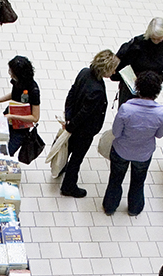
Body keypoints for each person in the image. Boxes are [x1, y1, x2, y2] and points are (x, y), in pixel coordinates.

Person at [102, 71, 163, 216]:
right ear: (157, 91)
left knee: (115, 180)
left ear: (137, 88)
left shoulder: (126, 109)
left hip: (121, 150)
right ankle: (134, 209)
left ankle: (110, 207)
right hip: (143, 154)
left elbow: (116, 132)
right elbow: (159, 135)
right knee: (138, 182)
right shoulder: (162, 113)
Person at [60, 50, 119, 198]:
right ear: (106, 70)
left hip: (72, 122)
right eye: (113, 69)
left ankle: (61, 167)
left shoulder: (84, 73)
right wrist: (71, 125)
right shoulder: (97, 90)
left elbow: (71, 94)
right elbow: (84, 114)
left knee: (69, 148)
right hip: (84, 131)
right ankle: (69, 186)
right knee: (77, 158)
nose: (114, 71)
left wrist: (68, 118)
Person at [111, 17, 163, 107]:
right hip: (131, 86)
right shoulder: (138, 43)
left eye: (159, 38)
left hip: (149, 89)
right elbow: (124, 63)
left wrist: (156, 80)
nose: (156, 41)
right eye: (153, 38)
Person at [0, 56, 41, 157]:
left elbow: (35, 117)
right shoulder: (17, 81)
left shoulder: (33, 90)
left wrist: (12, 116)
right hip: (8, 117)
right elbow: (15, 94)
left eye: (11, 72)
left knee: (5, 154)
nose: (10, 73)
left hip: (19, 129)